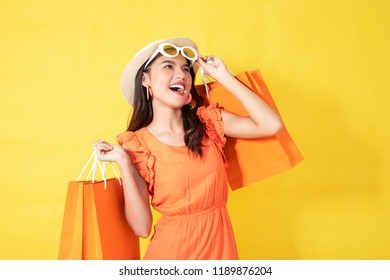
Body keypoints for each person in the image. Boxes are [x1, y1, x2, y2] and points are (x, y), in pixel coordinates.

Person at [93, 37, 283, 259]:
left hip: (221, 253)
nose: (181, 74)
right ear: (146, 80)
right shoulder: (137, 146)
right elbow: (142, 228)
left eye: (185, 69)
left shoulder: (209, 123)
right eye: (168, 66)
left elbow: (272, 124)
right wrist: (124, 163)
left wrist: (224, 76)